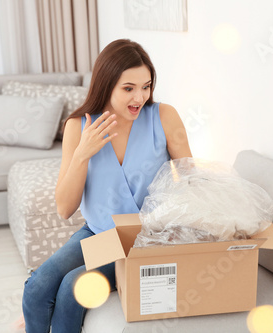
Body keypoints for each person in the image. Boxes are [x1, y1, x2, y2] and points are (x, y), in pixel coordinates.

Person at [21, 39, 192, 332]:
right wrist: (82, 154)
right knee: (37, 288)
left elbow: (190, 182)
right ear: (106, 84)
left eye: (146, 86)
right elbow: (64, 209)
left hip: (146, 239)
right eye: (128, 88)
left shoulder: (164, 117)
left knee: (74, 288)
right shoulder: (78, 126)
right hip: (99, 234)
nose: (139, 97)